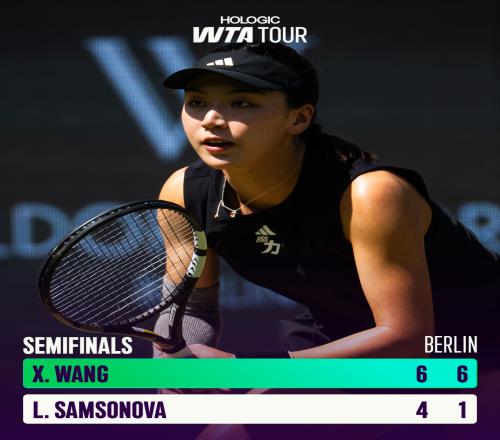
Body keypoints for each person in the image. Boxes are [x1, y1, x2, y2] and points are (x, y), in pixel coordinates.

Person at [153, 41, 500, 437]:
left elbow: (408, 341)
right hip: (342, 334)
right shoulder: (185, 193)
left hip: (471, 347)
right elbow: (190, 309)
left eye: (242, 103)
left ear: (299, 118)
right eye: (197, 102)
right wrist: (175, 365)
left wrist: (252, 367)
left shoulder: (370, 194)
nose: (212, 120)